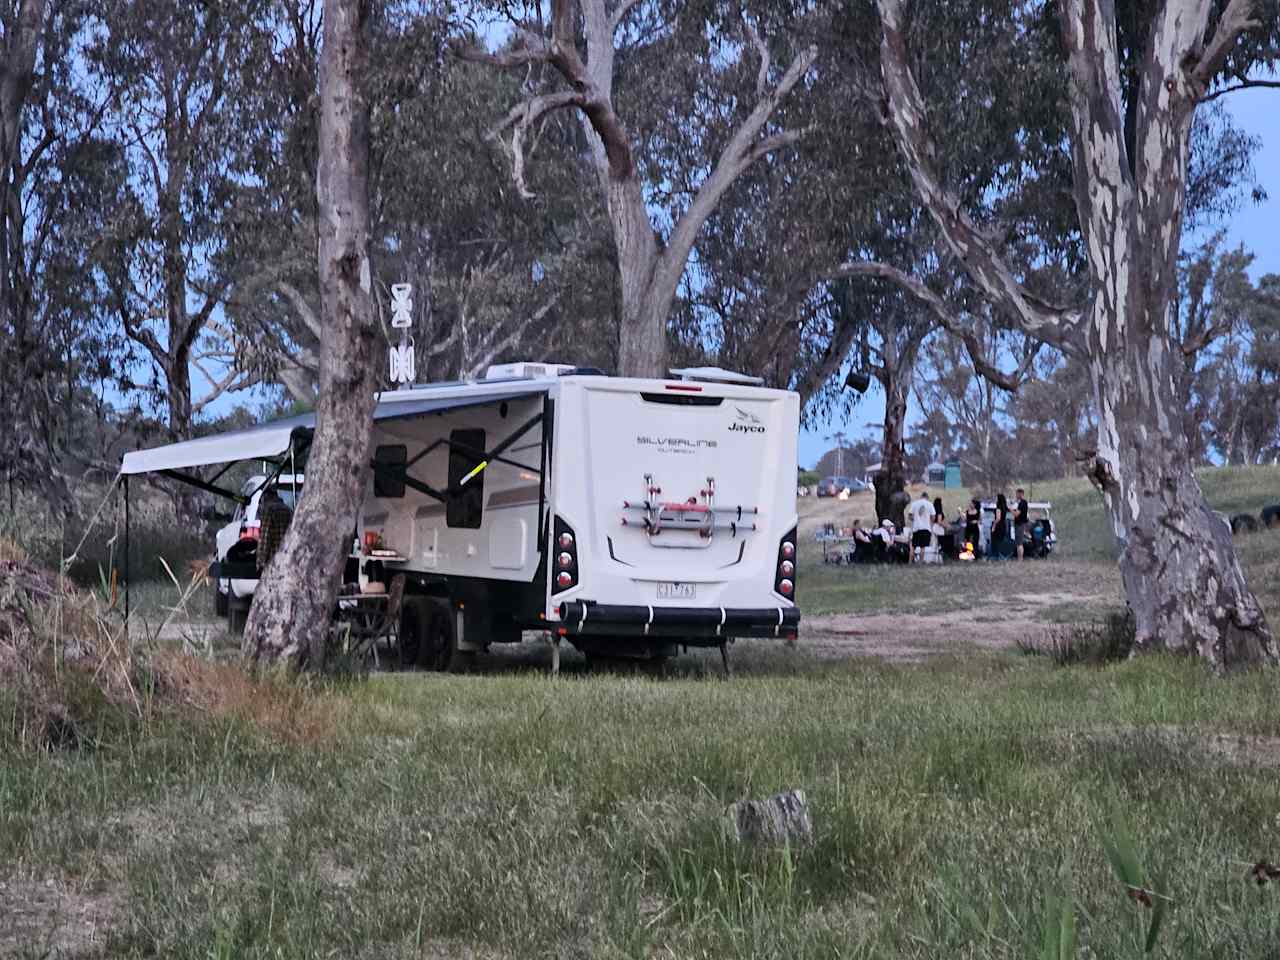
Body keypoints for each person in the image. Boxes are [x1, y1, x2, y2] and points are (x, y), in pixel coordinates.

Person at [256, 487, 293, 573]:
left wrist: (260, 564)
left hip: (274, 563)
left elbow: (264, 540)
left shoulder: (269, 510)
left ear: (264, 498)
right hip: (288, 560)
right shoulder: (288, 510)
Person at [908, 488, 934, 563]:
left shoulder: (915, 503)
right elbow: (933, 517)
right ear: (927, 497)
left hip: (916, 528)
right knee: (923, 546)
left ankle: (910, 562)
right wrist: (930, 522)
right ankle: (920, 562)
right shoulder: (930, 504)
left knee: (913, 546)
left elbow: (910, 516)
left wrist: (915, 519)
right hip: (926, 528)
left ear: (921, 496)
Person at [991, 492, 1010, 559]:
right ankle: (1000, 555)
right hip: (1003, 525)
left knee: (996, 541)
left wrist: (993, 526)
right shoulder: (1005, 507)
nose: (995, 499)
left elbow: (998, 518)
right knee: (1000, 541)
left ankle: (996, 555)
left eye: (996, 498)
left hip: (998, 526)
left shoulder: (998, 508)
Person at [1014, 487, 1030, 560]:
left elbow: (1016, 514)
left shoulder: (1022, 503)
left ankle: (1020, 559)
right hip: (1020, 524)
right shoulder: (1021, 503)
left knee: (1019, 543)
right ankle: (1020, 558)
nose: (1016, 495)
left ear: (1021, 494)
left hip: (1020, 524)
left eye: (1017, 494)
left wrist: (1010, 509)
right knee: (1018, 543)